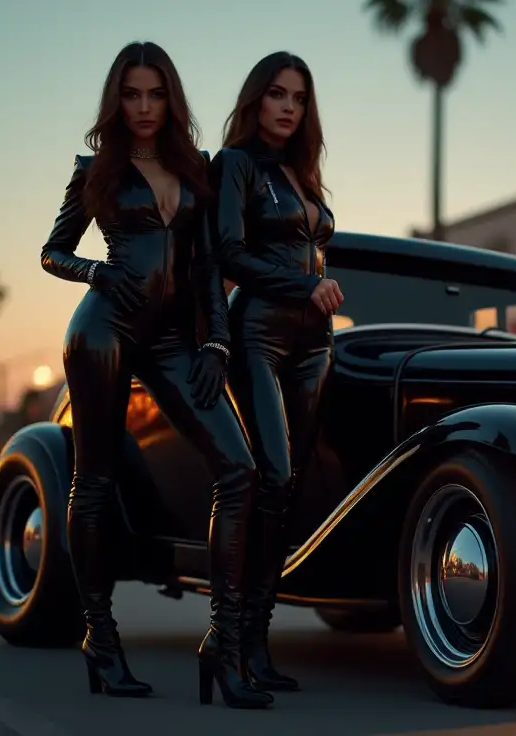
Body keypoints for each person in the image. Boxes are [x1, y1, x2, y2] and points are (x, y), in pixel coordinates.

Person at [40, 41, 271, 709]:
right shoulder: (96, 169)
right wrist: (98, 272)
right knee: (95, 483)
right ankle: (101, 639)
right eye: (131, 95)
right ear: (118, 101)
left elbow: (206, 268)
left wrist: (218, 346)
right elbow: (53, 250)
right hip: (103, 330)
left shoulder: (196, 169)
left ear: (171, 99)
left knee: (239, 469)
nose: (143, 108)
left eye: (155, 94)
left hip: (175, 338)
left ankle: (224, 651)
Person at [209, 50, 338, 694]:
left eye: (299, 97)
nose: (289, 106)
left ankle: (254, 647)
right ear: (256, 99)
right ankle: (227, 640)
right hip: (257, 330)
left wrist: (322, 281)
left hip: (316, 343)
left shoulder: (303, 174)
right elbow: (227, 250)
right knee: (270, 477)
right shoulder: (235, 165)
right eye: (278, 94)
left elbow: (312, 249)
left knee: (288, 495)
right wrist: (299, 282)